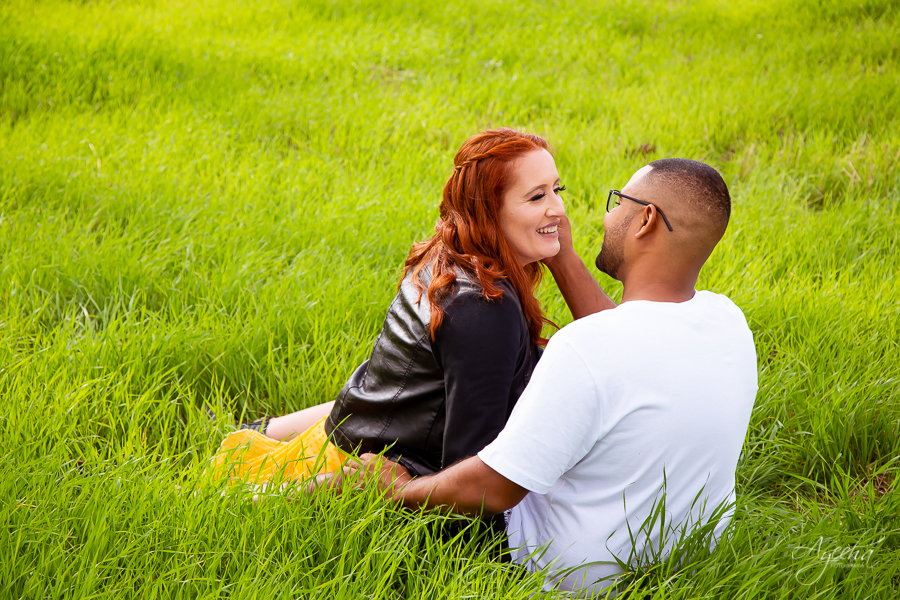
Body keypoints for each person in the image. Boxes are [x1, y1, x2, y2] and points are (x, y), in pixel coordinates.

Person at [356, 158, 759, 595]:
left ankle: (274, 493)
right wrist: (563, 257)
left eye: (617, 202)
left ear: (645, 219)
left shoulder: (585, 350)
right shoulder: (728, 320)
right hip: (684, 557)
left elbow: (493, 488)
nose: (603, 215)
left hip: (558, 571)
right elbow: (629, 338)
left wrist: (397, 490)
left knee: (377, 459)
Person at [210, 128, 616, 531]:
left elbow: (623, 344)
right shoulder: (483, 308)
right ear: (489, 212)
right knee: (223, 511)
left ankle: (250, 434)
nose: (558, 210)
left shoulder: (456, 255)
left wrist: (563, 258)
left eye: (556, 189)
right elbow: (470, 483)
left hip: (356, 433)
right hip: (355, 474)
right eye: (536, 196)